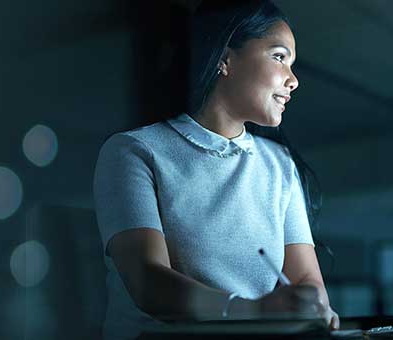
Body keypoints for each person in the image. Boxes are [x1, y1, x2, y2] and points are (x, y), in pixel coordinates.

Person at [93, 1, 338, 339]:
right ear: (225, 59)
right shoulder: (134, 151)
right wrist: (253, 311)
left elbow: (307, 280)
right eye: (279, 57)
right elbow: (148, 283)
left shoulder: (280, 165)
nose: (293, 80)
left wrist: (313, 304)